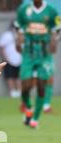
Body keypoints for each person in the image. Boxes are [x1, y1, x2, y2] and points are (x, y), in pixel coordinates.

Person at [15, 0, 59, 128]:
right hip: (28, 51)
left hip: (44, 52)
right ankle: (28, 107)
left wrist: (55, 41)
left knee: (41, 85)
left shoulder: (51, 11)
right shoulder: (24, 10)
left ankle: (35, 118)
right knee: (25, 85)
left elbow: (57, 28)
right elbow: (18, 26)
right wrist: (18, 40)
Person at [0, 22, 22, 98]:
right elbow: (1, 47)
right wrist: (5, 58)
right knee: (9, 77)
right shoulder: (6, 35)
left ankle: (19, 92)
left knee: (19, 77)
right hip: (9, 60)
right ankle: (12, 92)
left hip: (19, 60)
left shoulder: (21, 36)